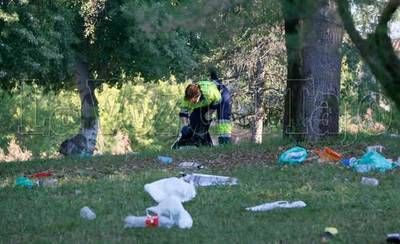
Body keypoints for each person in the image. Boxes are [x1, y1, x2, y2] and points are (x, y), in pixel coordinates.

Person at [172, 70, 232, 149]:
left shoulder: (209, 92)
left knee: (222, 119)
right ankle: (204, 144)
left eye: (193, 101)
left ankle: (225, 142)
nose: (192, 103)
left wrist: (210, 112)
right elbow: (183, 113)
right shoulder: (186, 99)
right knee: (195, 118)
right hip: (207, 101)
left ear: (198, 95)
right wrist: (185, 126)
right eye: (190, 101)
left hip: (221, 95)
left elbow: (218, 100)